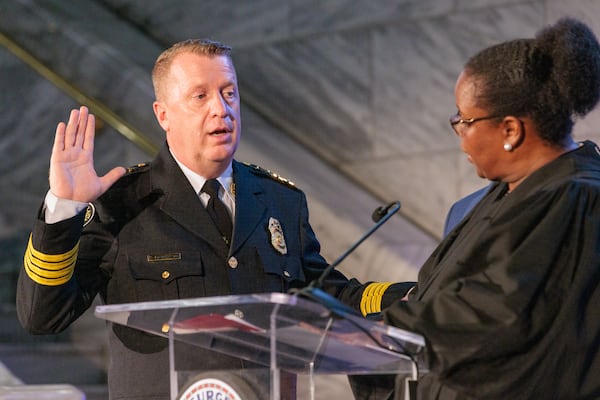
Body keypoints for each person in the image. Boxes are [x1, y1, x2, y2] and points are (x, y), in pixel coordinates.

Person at [16, 39, 410, 400]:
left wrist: (416, 296)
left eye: (229, 93)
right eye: (200, 96)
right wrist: (63, 209)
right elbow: (42, 316)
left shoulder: (279, 201)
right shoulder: (120, 204)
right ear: (163, 115)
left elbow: (326, 295)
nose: (221, 109)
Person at [380, 17, 600, 400]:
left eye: (464, 121)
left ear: (510, 130)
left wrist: (369, 330)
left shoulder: (573, 199)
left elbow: (494, 318)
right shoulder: (505, 195)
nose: (460, 134)